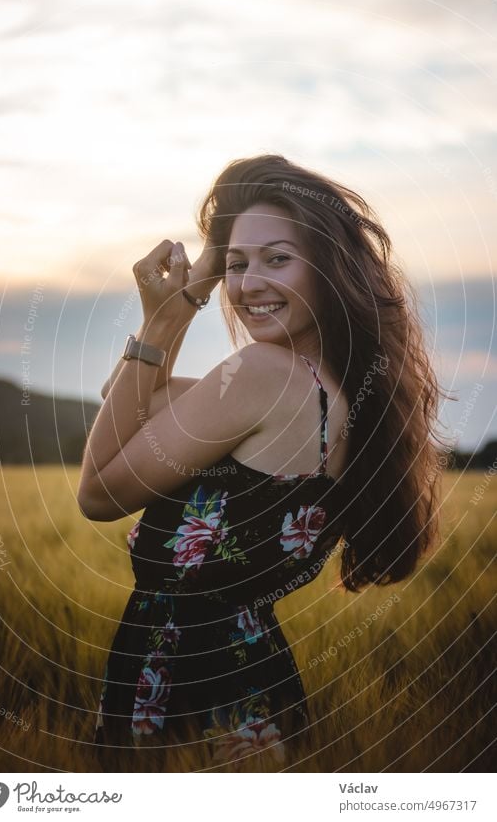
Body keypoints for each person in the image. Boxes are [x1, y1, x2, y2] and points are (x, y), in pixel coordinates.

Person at [77, 153, 446, 770]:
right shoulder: (328, 390)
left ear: (328, 269)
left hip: (190, 695)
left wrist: (169, 313)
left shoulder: (263, 375)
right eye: (234, 264)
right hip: (252, 695)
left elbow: (98, 492)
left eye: (278, 258)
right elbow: (135, 408)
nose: (248, 284)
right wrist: (173, 308)